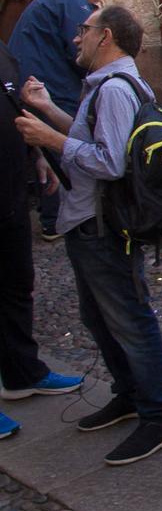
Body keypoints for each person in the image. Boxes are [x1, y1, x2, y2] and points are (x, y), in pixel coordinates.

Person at [14, 6, 162, 465]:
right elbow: (97, 138)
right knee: (99, 318)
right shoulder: (108, 86)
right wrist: (49, 111)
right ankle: (129, 395)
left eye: (83, 31)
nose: (76, 39)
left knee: (129, 320)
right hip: (90, 222)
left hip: (104, 225)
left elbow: (109, 161)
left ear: (105, 36)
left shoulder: (113, 89)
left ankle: (159, 417)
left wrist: (48, 141)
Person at [0, 38, 83, 432]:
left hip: (11, 189)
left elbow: (12, 102)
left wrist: (37, 156)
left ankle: (22, 373)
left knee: (18, 284)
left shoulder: (2, 50)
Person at [7, 0, 120, 238]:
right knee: (57, 146)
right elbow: (83, 54)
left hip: (29, 81)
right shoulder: (73, 3)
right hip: (49, 86)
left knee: (40, 148)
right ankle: (54, 219)